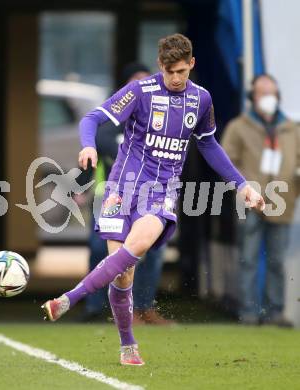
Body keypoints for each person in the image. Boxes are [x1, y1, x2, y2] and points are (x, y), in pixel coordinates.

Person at [42, 33, 265, 366]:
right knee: (122, 276)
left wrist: (241, 184)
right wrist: (88, 144)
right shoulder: (140, 91)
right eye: (169, 71)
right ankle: (127, 343)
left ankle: (70, 298)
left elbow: (209, 144)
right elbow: (92, 118)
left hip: (159, 192)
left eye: (181, 71)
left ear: (191, 64)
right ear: (160, 66)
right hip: (120, 187)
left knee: (137, 250)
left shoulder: (201, 100)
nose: (175, 79)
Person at [84, 63, 174, 325]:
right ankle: (97, 308)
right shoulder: (112, 122)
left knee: (153, 252)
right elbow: (94, 152)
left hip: (150, 197)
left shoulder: (165, 121)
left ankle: (144, 308)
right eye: (137, 83)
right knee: (101, 248)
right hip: (110, 197)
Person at [222, 74, 300, 326]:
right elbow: (225, 162)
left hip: (283, 202)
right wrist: (243, 188)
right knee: (249, 258)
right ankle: (248, 311)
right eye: (261, 92)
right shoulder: (239, 127)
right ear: (252, 97)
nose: (267, 98)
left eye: (271, 93)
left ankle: (275, 312)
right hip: (250, 203)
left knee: (277, 261)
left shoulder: (292, 129)